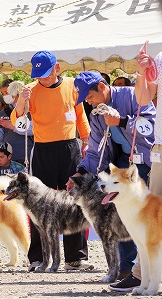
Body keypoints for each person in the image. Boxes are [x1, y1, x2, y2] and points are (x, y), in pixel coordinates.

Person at [65, 71, 155, 288]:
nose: (88, 101)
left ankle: (146, 269)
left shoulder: (133, 95)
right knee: (121, 212)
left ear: (102, 87)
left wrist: (122, 121)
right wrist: (81, 172)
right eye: (86, 98)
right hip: (122, 162)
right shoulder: (96, 114)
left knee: (147, 216)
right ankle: (128, 268)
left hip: (148, 160)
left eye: (90, 96)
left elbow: (152, 128)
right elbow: (96, 151)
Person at [10, 50, 92, 271]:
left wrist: (86, 140)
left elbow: (80, 114)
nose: (41, 79)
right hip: (43, 149)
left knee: (74, 200)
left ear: (57, 68)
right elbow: (17, 122)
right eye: (38, 75)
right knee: (37, 203)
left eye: (45, 74)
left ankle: (76, 257)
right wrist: (21, 102)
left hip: (69, 147)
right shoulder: (31, 91)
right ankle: (37, 257)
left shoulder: (71, 85)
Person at [110, 49, 162, 291]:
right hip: (160, 147)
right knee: (152, 218)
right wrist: (140, 73)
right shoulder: (159, 58)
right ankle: (142, 274)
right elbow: (144, 99)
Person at [0, 81, 34, 166]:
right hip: (9, 159)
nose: (4, 96)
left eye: (6, 92)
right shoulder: (2, 113)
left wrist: (13, 127)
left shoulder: (29, 109)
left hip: (25, 157)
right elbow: (1, 139)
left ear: (16, 91)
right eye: (2, 93)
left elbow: (34, 130)